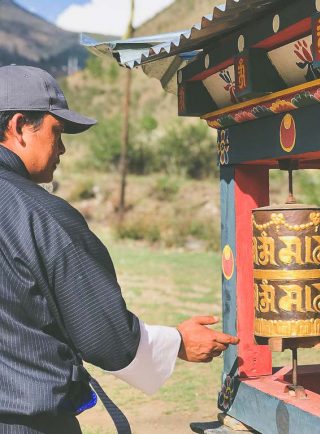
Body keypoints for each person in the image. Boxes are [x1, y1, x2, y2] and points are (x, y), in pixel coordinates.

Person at [0, 65, 239, 433]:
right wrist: (178, 341)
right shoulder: (42, 216)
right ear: (18, 127)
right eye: (56, 132)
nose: (62, 148)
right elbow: (106, 337)